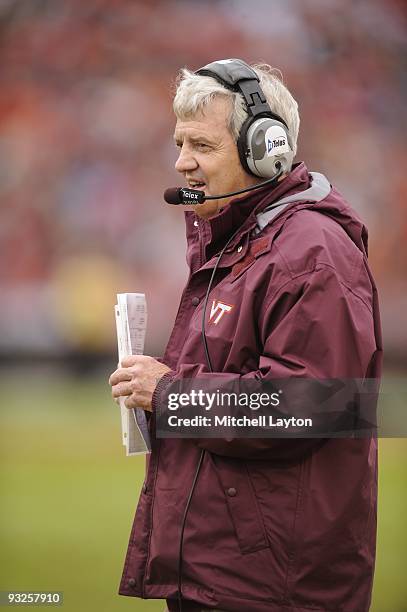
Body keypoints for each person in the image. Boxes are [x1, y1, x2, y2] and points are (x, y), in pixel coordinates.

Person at [108, 59, 382, 612]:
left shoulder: (311, 254)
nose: (182, 163)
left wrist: (169, 396)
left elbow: (308, 407)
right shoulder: (238, 244)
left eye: (202, 147)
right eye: (179, 143)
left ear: (266, 150)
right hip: (226, 575)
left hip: (271, 587)